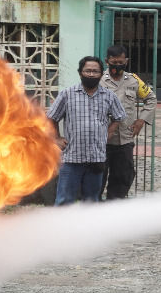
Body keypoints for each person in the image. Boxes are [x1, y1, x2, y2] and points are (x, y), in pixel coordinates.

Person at [46, 56, 126, 205]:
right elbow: (51, 117)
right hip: (72, 158)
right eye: (87, 70)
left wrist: (110, 131)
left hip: (96, 158)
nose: (91, 74)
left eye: (95, 71)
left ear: (101, 74)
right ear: (80, 72)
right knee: (65, 200)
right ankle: (62, 228)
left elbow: (119, 116)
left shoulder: (109, 96)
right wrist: (56, 138)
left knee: (91, 202)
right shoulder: (67, 94)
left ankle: (87, 228)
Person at [100, 45, 156, 200]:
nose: (117, 65)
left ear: (126, 61)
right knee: (98, 175)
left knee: (123, 175)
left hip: (125, 137)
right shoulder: (99, 80)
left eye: (121, 62)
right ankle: (93, 208)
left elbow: (151, 99)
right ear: (107, 61)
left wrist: (141, 120)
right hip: (102, 138)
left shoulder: (133, 80)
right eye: (114, 62)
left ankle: (115, 206)